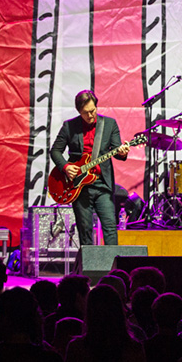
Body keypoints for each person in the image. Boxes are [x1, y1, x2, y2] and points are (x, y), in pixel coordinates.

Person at [50, 90, 130, 246]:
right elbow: (55, 151)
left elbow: (117, 152)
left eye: (93, 111)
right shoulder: (69, 126)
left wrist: (122, 152)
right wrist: (66, 167)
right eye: (86, 113)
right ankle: (89, 270)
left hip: (102, 185)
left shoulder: (109, 124)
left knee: (110, 228)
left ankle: (113, 267)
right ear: (79, 111)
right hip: (79, 187)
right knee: (85, 230)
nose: (90, 115)